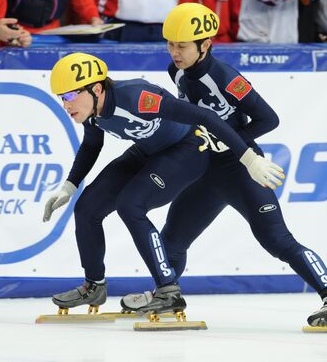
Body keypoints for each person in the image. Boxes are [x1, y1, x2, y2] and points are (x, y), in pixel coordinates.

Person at [120, 3, 327, 328]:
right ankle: (166, 295)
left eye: (183, 45)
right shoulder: (174, 70)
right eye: (171, 44)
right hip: (205, 168)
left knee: (276, 240)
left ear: (205, 45)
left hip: (241, 167)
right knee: (172, 239)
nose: (175, 52)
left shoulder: (225, 77)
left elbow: (268, 118)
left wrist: (233, 138)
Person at [42, 52, 284, 313]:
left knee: (130, 205)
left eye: (69, 96)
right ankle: (94, 286)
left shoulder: (138, 98)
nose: (66, 105)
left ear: (97, 88)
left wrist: (248, 157)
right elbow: (91, 144)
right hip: (147, 151)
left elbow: (206, 118)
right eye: (61, 98)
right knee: (87, 207)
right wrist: (70, 185)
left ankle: (168, 290)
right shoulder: (91, 110)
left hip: (186, 150)